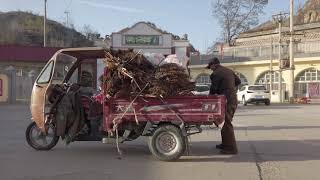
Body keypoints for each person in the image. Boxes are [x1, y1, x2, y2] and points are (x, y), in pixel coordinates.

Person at [207, 57, 241, 154]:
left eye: (210, 67)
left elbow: (213, 89)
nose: (211, 69)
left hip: (226, 100)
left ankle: (231, 148)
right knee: (224, 122)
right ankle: (225, 144)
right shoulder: (228, 70)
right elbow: (238, 81)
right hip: (233, 99)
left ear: (214, 65)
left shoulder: (216, 74)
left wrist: (208, 98)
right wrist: (230, 88)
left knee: (226, 123)